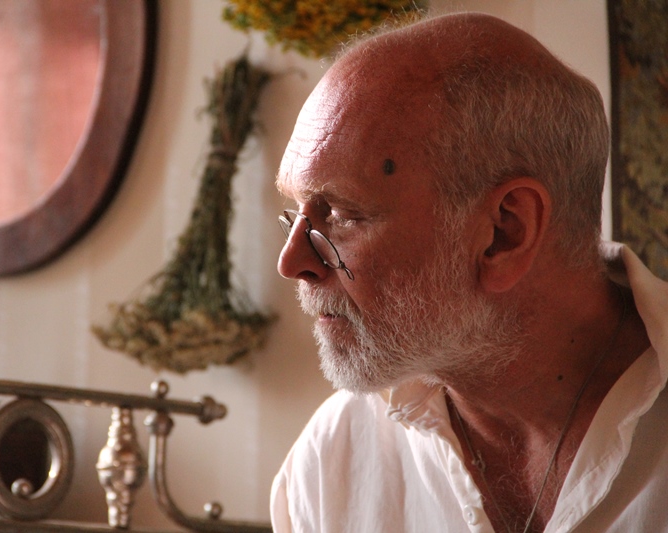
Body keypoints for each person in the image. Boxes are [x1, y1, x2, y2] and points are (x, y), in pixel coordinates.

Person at [270, 11, 668, 533]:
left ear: (505, 233)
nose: (292, 263)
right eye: (294, 212)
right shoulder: (333, 461)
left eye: (341, 215)